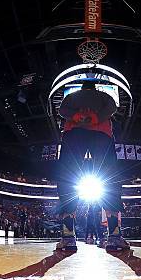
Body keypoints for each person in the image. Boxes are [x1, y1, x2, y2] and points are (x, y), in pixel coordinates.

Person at [55, 80, 128, 251]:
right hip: (101, 133)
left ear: (82, 88)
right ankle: (114, 237)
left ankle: (68, 238)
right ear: (95, 88)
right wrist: (96, 117)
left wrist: (77, 117)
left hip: (73, 133)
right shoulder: (105, 95)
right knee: (110, 179)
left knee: (68, 178)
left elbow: (62, 110)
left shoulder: (71, 97)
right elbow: (112, 108)